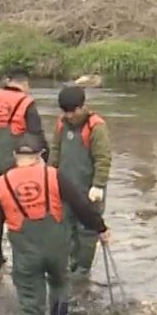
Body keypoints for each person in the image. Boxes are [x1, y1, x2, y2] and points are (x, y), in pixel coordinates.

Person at [0, 136, 111, 315]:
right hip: (57, 251)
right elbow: (81, 205)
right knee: (60, 285)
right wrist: (100, 229)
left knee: (30, 304)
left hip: (26, 255)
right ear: (41, 155)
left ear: (14, 156)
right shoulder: (54, 175)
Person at [50, 85, 112, 277]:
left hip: (88, 189)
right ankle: (70, 264)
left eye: (72, 111)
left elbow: (103, 158)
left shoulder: (96, 127)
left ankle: (83, 271)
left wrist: (98, 185)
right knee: (65, 228)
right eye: (65, 111)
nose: (69, 115)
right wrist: (49, 176)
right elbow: (55, 151)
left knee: (87, 232)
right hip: (64, 188)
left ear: (81, 107)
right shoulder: (61, 124)